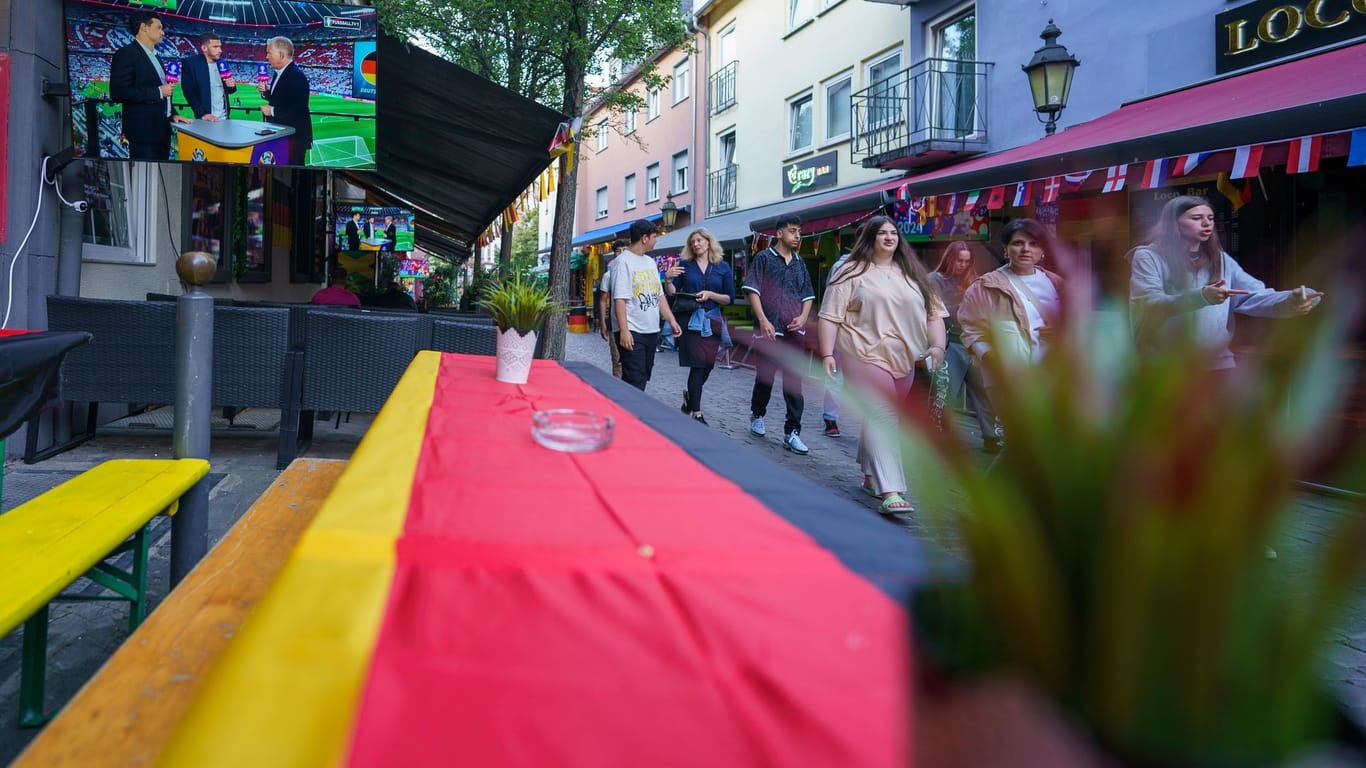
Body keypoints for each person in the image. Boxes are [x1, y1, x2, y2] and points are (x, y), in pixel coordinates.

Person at [817, 216, 948, 515]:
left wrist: (937, 346)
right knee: (883, 414)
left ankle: (869, 473)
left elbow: (934, 315)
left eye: (893, 233)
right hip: (861, 351)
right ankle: (891, 489)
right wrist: (827, 354)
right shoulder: (851, 272)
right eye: (881, 233)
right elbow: (829, 316)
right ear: (870, 238)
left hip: (905, 356)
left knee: (878, 414)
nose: (889, 237)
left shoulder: (914, 275)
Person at [1129, 195, 1322, 370]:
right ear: (1173, 223)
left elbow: (1254, 295)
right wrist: (1202, 296)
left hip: (1217, 366)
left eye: (1210, 218)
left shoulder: (1220, 260)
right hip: (1165, 369)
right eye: (1196, 218)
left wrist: (1293, 299)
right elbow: (1149, 304)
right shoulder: (1148, 257)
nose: (1207, 223)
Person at [958, 218, 1064, 414]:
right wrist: (992, 358)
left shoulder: (1057, 284)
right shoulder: (986, 287)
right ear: (1005, 248)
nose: (1026, 249)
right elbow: (970, 329)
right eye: (1018, 243)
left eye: (1033, 244)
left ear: (1042, 251)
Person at [743, 214, 815, 455]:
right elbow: (753, 291)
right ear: (779, 233)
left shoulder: (800, 263)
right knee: (766, 378)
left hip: (795, 331)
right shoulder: (763, 259)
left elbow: (807, 296)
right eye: (793, 231)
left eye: (799, 232)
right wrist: (763, 321)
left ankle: (792, 432)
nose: (797, 236)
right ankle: (758, 414)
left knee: (794, 383)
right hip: (770, 330)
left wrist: (804, 317)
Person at [930, 240, 1002, 453]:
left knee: (983, 392)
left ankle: (990, 437)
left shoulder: (974, 281)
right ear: (950, 259)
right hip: (948, 340)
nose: (962, 265)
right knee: (945, 392)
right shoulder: (934, 280)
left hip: (973, 342)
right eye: (959, 260)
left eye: (966, 261)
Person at [663, 228, 734, 426]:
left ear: (709, 242)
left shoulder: (723, 267)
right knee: (698, 365)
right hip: (690, 320)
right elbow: (672, 292)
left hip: (712, 320)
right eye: (692, 241)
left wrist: (711, 295)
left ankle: (690, 397)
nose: (696, 244)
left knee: (708, 366)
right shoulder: (685, 266)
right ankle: (697, 412)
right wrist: (668, 279)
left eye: (699, 240)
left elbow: (729, 298)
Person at [109, 11, 191, 160]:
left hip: (162, 130)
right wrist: (157, 92)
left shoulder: (157, 57)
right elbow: (118, 92)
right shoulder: (126, 53)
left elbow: (165, 92)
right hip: (143, 134)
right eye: (159, 27)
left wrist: (173, 114)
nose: (163, 32)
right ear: (144, 27)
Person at [610, 220, 682, 391]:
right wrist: (624, 330)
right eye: (654, 236)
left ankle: (630, 413)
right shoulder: (622, 262)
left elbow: (659, 295)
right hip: (633, 331)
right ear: (644, 238)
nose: (656, 240)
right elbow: (619, 299)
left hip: (651, 330)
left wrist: (672, 320)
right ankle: (630, 415)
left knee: (643, 376)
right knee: (634, 380)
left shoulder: (650, 262)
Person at [258, 36, 313, 165]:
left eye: (269, 53)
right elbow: (283, 100)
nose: (267, 57)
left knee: (292, 177)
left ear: (281, 55)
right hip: (283, 137)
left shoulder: (296, 76)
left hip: (294, 140)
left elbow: (297, 111)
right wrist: (266, 92)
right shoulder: (279, 73)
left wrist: (271, 110)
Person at [819, 247, 853, 438]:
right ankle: (830, 417)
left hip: (869, 334)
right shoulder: (842, 266)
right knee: (836, 374)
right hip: (843, 329)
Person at [180, 32, 236, 122]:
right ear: (204, 48)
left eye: (220, 46)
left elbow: (229, 90)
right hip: (206, 120)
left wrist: (232, 86)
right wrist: (202, 114)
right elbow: (189, 92)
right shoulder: (190, 63)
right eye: (215, 47)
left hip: (225, 119)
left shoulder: (222, 63)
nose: (220, 50)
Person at [596, 239, 627, 378]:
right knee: (617, 359)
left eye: (624, 250)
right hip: (615, 324)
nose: (621, 254)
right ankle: (618, 389)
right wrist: (603, 322)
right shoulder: (608, 275)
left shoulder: (634, 271)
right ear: (614, 254)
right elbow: (602, 300)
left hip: (634, 323)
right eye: (618, 251)